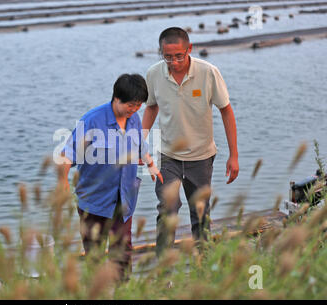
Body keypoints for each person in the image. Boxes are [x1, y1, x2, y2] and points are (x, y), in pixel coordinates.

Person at [143, 27, 239, 257]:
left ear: (189, 49)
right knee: (167, 210)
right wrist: (139, 141)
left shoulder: (208, 72)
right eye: (167, 56)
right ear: (161, 53)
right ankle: (164, 272)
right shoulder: (154, 74)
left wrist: (234, 155)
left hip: (201, 157)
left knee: (200, 213)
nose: (174, 62)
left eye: (179, 56)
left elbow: (226, 110)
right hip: (169, 157)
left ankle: (204, 266)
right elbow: (151, 106)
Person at [58, 74, 163, 280]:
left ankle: (124, 294)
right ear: (116, 98)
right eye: (130, 105)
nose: (134, 110)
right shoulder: (91, 121)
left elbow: (141, 146)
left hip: (124, 197)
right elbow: (66, 154)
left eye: (138, 105)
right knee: (94, 254)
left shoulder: (134, 120)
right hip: (94, 200)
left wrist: (151, 165)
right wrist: (62, 182)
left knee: (122, 251)